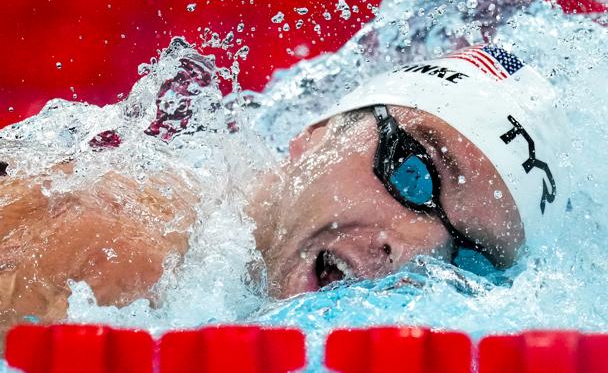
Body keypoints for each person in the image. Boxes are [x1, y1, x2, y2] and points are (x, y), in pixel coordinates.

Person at [0, 44, 569, 343]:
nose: (416, 252)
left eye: (466, 257)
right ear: (316, 132)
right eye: (414, 172)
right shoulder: (119, 249)